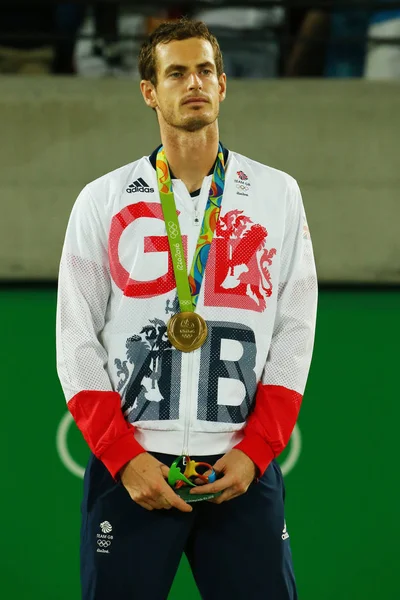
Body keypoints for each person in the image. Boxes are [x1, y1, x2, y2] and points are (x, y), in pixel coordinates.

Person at [56, 18, 317, 600]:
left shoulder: (278, 194)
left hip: (239, 469)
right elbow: (75, 342)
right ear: (150, 91)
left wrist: (257, 450)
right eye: (176, 72)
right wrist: (124, 458)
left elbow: (296, 330)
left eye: (204, 70)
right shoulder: (102, 200)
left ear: (224, 85)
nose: (193, 82)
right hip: (132, 470)